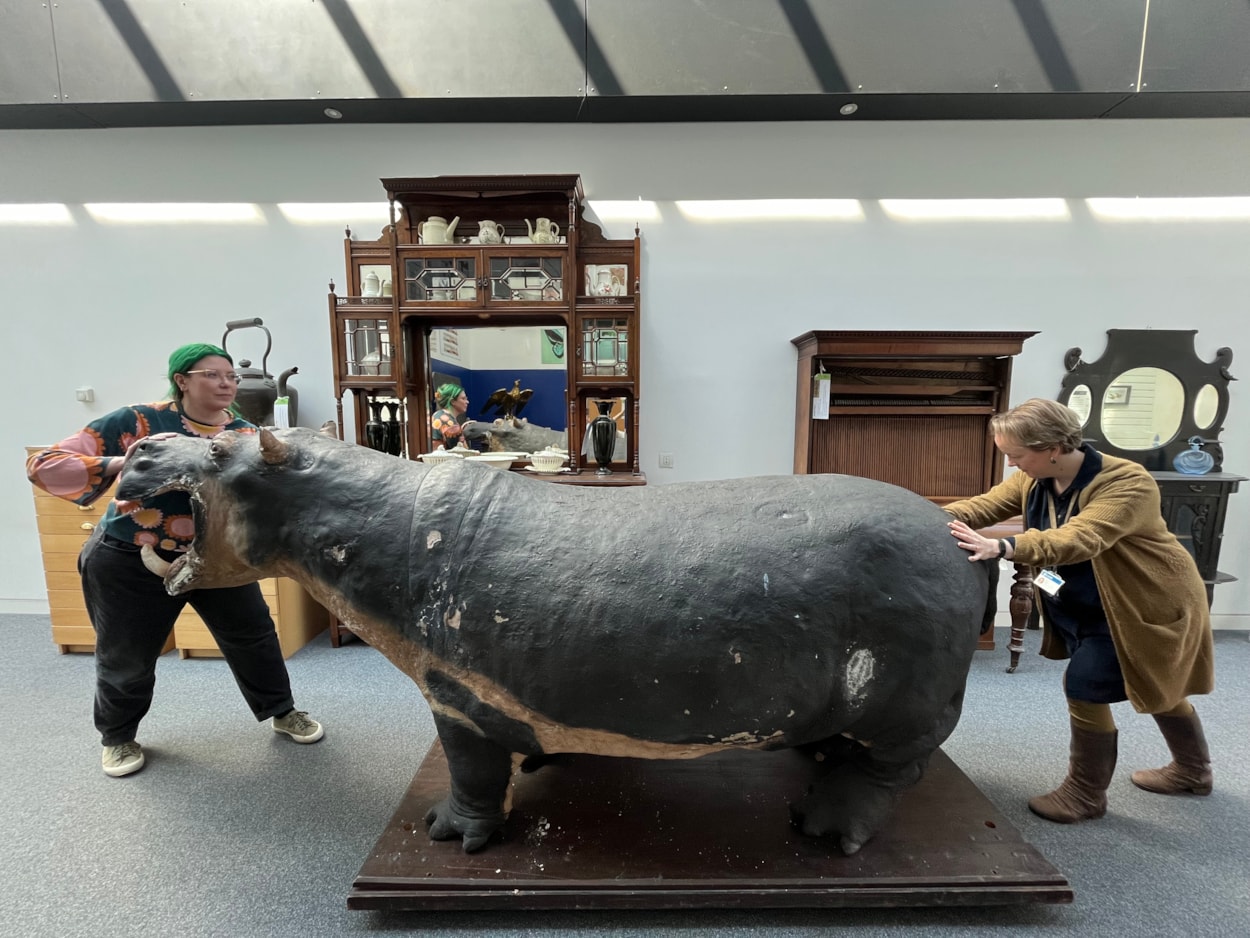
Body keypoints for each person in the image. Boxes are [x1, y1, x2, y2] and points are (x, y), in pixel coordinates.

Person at [26, 343, 324, 778]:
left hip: (217, 560)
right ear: (182, 380)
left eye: (231, 377)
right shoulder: (137, 421)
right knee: (127, 653)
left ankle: (282, 711)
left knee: (255, 637)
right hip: (131, 558)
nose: (226, 384)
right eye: (213, 374)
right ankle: (118, 737)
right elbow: (44, 464)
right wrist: (121, 461)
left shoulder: (242, 433)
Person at [944, 398, 1214, 823]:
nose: (1012, 465)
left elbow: (1082, 537)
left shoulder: (1127, 482)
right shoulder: (1035, 480)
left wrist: (1004, 546)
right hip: (1084, 599)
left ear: (1051, 446)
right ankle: (1193, 771)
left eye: (1016, 455)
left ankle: (1085, 795)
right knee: (1160, 684)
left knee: (1087, 685)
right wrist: (918, 519)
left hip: (1143, 603)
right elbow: (981, 507)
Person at [430, 383, 469, 449]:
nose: (467, 402)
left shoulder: (437, 415)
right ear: (453, 401)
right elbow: (459, 452)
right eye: (463, 398)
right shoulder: (448, 422)